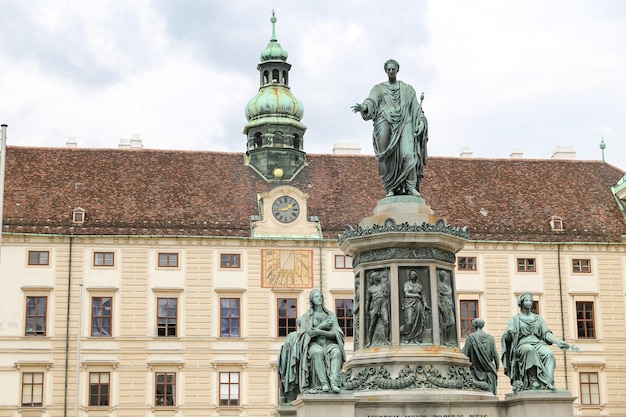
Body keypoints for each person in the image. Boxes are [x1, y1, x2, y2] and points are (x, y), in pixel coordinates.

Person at [352, 59, 428, 197]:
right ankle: (390, 188)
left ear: (397, 70)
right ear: (386, 71)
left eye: (393, 69)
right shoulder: (378, 88)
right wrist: (363, 107)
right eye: (389, 69)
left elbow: (417, 110)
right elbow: (371, 101)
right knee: (385, 157)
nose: (391, 71)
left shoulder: (407, 89)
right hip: (384, 121)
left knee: (408, 154)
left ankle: (411, 187)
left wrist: (421, 122)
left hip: (405, 123)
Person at [277, 289, 346, 400]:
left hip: (329, 343)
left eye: (320, 296)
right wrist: (322, 326)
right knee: (316, 352)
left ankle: (334, 382)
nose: (319, 298)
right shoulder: (307, 316)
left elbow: (337, 334)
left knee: (337, 352)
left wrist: (319, 332)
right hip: (314, 344)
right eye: (316, 297)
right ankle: (324, 383)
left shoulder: (331, 315)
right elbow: (305, 335)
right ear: (312, 300)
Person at [501, 292, 570, 393]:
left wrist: (558, 342)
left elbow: (546, 334)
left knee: (549, 354)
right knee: (530, 350)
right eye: (526, 300)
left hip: (538, 343)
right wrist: (509, 334)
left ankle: (548, 382)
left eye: (530, 300)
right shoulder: (515, 320)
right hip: (523, 345)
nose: (529, 302)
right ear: (521, 302)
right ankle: (533, 382)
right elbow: (507, 339)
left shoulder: (538, 319)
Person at [462, 318, 499, 395]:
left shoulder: (471, 338)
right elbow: (496, 355)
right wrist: (496, 370)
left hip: (475, 373)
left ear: (474, 326)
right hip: (489, 372)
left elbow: (464, 354)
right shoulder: (490, 338)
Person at [400, 269, 430, 344]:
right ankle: (406, 336)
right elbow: (406, 294)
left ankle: (416, 338)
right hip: (409, 303)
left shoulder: (419, 286)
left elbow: (423, 296)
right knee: (409, 321)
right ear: (410, 276)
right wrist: (416, 295)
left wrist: (425, 304)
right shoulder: (406, 284)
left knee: (418, 321)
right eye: (412, 274)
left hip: (418, 303)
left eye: (414, 274)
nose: (413, 275)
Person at [365, 270, 391, 347]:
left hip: (383, 304)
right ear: (373, 278)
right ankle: (369, 341)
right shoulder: (370, 289)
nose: (378, 276)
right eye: (376, 275)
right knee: (372, 324)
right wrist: (366, 310)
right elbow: (368, 301)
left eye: (378, 275)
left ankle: (386, 340)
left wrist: (386, 289)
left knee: (386, 321)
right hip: (374, 306)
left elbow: (387, 294)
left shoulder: (383, 285)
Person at [438, 270, 456, 346]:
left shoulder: (448, 286)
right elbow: (437, 295)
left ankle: (448, 340)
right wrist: (440, 305)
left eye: (446, 276)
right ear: (442, 277)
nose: (447, 277)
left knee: (452, 322)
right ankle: (444, 341)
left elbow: (450, 296)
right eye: (445, 276)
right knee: (445, 323)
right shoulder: (440, 285)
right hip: (444, 303)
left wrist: (452, 303)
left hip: (449, 304)